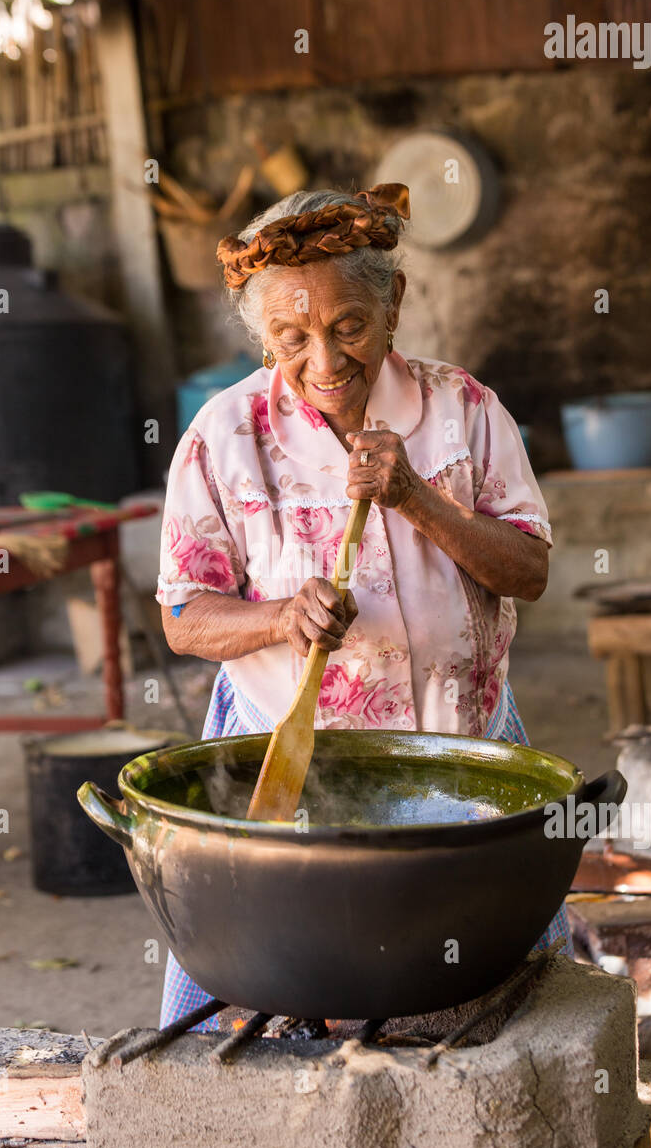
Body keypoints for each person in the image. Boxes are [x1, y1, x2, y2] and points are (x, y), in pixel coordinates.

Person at [156, 183, 571, 1028]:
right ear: (260, 337)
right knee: (256, 984)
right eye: (290, 338)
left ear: (394, 306)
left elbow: (527, 571)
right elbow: (184, 616)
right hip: (287, 753)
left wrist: (415, 496)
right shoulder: (222, 437)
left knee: (511, 985)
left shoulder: (463, 411)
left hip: (470, 738)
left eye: (348, 326)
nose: (325, 361)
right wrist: (279, 618)